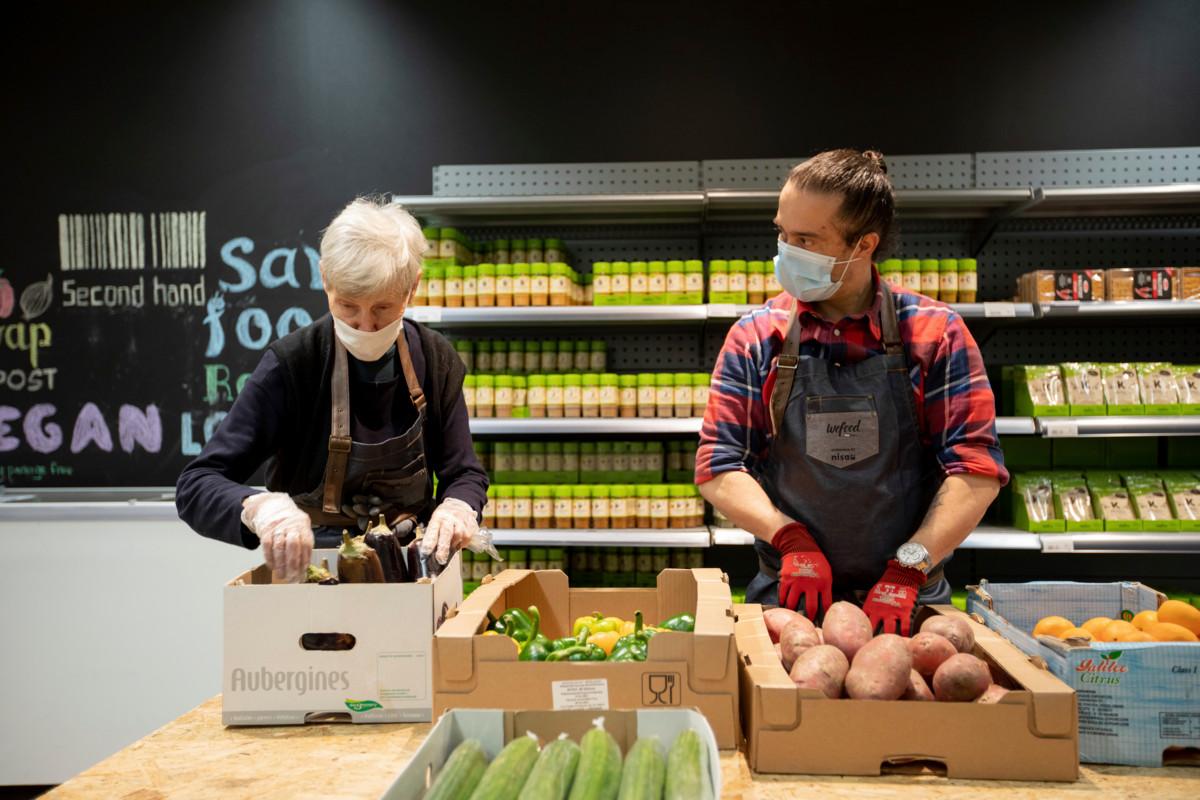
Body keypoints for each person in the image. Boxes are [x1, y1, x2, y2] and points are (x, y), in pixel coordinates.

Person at [695, 150, 1007, 635]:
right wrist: (790, 538)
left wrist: (910, 565)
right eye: (782, 233)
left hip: (909, 601)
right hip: (790, 598)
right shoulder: (757, 336)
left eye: (806, 239)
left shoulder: (935, 333)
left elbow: (976, 470)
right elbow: (718, 465)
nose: (785, 250)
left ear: (863, 244)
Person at [177, 197, 488, 581]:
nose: (365, 326)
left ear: (413, 287)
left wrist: (458, 506)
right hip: (314, 572)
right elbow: (195, 485)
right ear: (325, 279)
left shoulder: (435, 360)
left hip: (416, 570)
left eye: (383, 308)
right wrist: (260, 509)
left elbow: (464, 473)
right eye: (348, 306)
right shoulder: (293, 364)